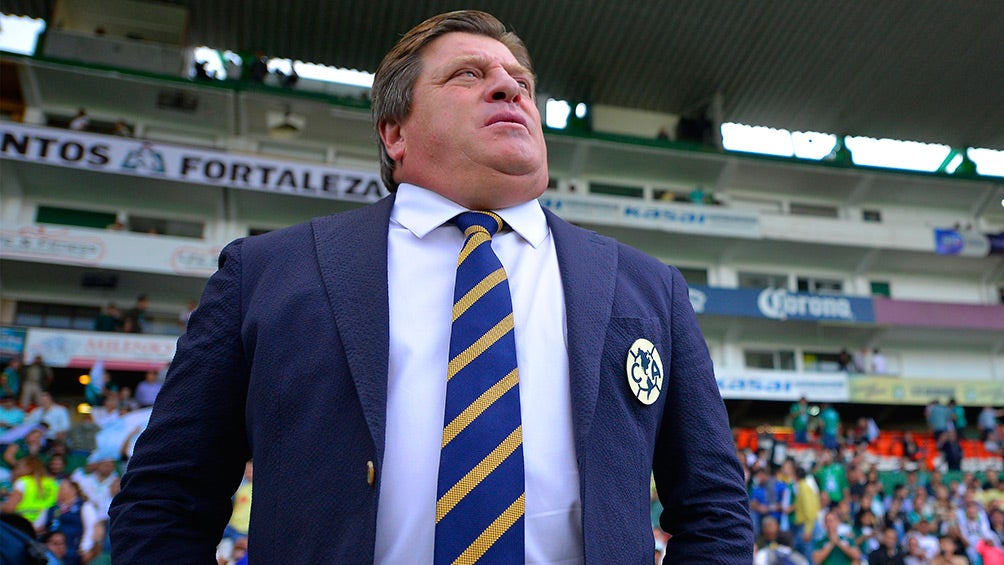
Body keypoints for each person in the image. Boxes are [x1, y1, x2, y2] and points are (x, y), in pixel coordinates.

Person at [109, 10, 753, 564]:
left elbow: (714, 508)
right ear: (395, 133)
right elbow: (167, 497)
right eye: (468, 75)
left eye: (522, 83)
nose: (508, 86)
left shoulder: (650, 288)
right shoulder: (266, 274)